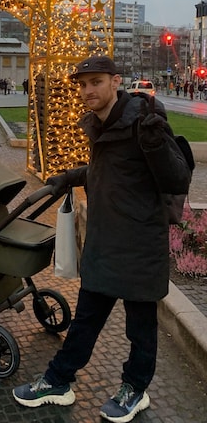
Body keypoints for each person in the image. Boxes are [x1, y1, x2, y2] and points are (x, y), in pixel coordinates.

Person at [12, 55, 191, 422]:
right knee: (85, 321)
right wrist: (69, 177)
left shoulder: (144, 122)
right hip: (105, 241)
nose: (87, 90)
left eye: (95, 82)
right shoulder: (101, 124)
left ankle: (135, 389)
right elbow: (108, 170)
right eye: (82, 84)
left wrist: (156, 144)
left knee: (140, 329)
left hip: (140, 245)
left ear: (115, 81)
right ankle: (58, 381)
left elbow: (176, 180)